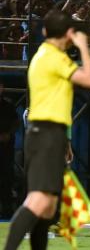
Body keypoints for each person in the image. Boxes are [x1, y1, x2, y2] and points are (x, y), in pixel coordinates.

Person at [4, 9, 90, 250]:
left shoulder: (46, 54)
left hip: (48, 133)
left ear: (45, 31)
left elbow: (55, 102)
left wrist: (64, 141)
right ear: (68, 33)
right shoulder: (54, 57)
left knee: (47, 209)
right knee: (38, 200)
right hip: (45, 134)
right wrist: (84, 47)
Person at [0, 79, 19, 219]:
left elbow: (15, 122)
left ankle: (7, 208)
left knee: (7, 178)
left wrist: (8, 134)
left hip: (6, 149)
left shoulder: (8, 105)